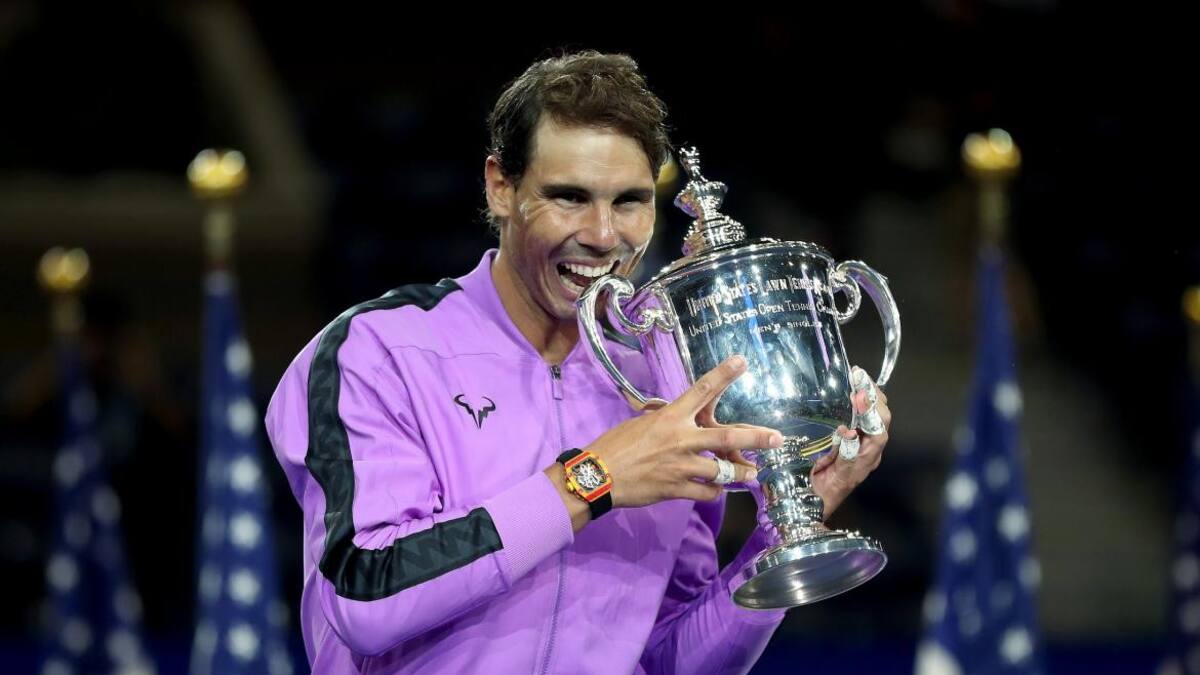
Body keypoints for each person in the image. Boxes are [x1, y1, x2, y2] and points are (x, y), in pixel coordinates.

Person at [264, 50, 892, 674]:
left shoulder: (666, 384)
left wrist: (781, 537)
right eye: (569, 197)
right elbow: (363, 597)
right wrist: (591, 481)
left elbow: (669, 660)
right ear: (500, 187)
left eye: (629, 201)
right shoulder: (377, 352)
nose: (601, 234)